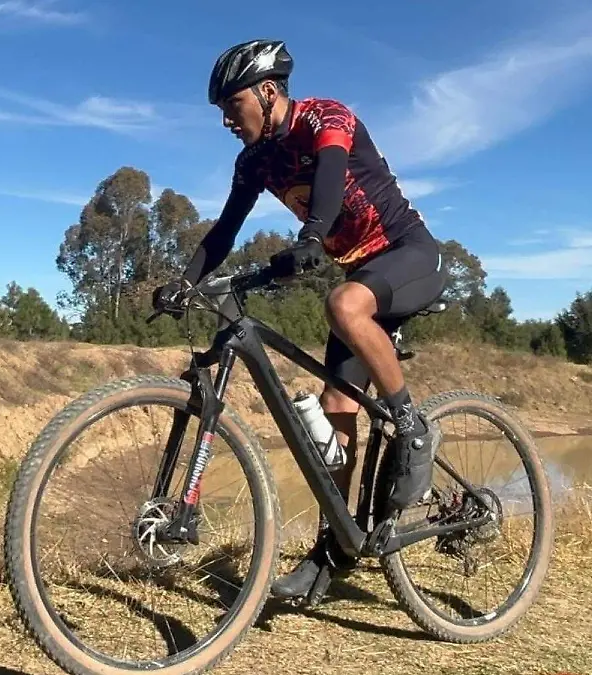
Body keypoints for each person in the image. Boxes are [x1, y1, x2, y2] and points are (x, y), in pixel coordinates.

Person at [152, 39, 447, 600]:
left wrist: (312, 237)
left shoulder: (324, 117)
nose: (225, 121)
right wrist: (184, 283)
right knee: (336, 414)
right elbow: (224, 230)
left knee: (342, 305)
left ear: (267, 92)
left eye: (230, 107)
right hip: (361, 276)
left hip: (410, 255)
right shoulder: (256, 159)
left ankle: (413, 426)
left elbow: (330, 181)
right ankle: (332, 552)